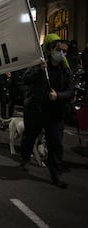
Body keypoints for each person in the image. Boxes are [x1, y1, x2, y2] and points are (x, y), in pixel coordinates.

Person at [20, 34, 74, 188]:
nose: (61, 54)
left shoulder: (66, 70)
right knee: (29, 138)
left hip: (55, 114)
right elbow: (25, 79)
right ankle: (24, 157)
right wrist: (38, 71)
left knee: (55, 145)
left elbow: (71, 91)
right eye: (58, 50)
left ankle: (55, 176)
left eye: (64, 51)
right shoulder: (40, 65)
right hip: (36, 111)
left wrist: (58, 96)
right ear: (50, 50)